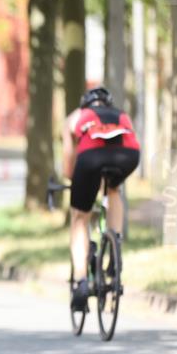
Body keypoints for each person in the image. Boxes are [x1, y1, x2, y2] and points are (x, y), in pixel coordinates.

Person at [61, 87, 140, 311]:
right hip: (129, 156)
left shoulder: (75, 117)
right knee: (114, 189)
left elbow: (68, 159)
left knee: (79, 218)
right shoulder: (121, 114)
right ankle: (115, 244)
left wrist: (72, 178)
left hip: (91, 156)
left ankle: (81, 281)